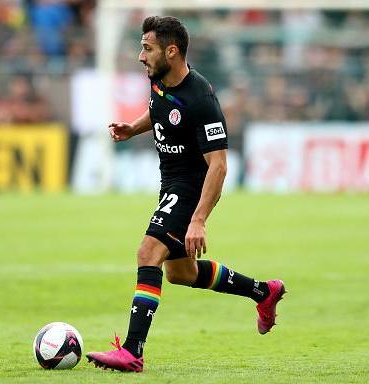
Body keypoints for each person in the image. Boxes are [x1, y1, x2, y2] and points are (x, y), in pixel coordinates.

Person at [86, 16, 285, 373]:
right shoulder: (160, 79)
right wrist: (134, 128)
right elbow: (160, 110)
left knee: (148, 252)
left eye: (147, 48)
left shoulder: (201, 98)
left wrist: (198, 219)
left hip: (191, 188)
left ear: (171, 51)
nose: (140, 56)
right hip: (171, 183)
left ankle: (132, 351)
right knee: (181, 273)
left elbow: (219, 166)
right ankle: (263, 292)